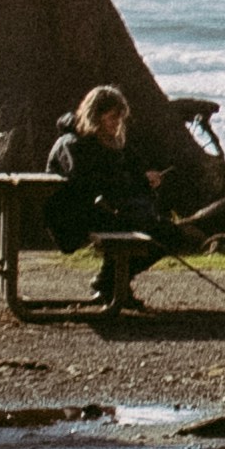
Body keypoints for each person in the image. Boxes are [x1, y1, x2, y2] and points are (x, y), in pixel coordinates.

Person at [44, 86, 186, 314]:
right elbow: (91, 185)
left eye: (119, 118)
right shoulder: (73, 143)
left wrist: (145, 180)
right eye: (112, 118)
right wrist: (139, 183)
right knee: (157, 231)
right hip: (73, 217)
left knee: (167, 232)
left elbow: (123, 178)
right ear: (96, 116)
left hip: (101, 211)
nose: (117, 123)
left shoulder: (108, 142)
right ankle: (111, 283)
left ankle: (111, 282)